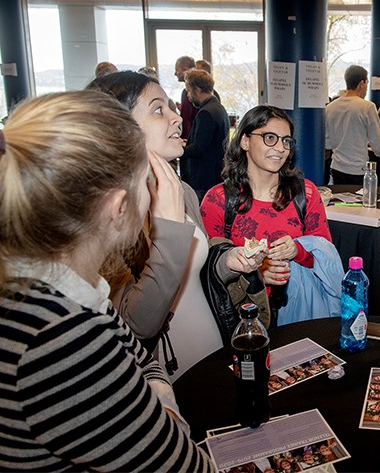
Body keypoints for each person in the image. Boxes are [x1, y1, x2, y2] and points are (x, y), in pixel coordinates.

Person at [0, 90, 213, 470]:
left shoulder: (65, 291)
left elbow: (141, 358)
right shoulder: (60, 338)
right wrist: (165, 415)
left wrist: (155, 397)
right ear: (118, 208)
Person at [87, 71, 257, 381]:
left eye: (172, 107)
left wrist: (229, 263)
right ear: (118, 128)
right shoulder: (107, 216)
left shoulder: (184, 191)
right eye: (158, 109)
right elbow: (137, 325)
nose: (177, 118)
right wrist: (168, 230)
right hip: (164, 374)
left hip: (212, 351)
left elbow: (195, 273)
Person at [201, 105, 343, 326]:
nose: (280, 148)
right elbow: (208, 269)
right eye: (270, 137)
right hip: (241, 320)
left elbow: (326, 257)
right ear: (245, 141)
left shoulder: (304, 193)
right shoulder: (218, 199)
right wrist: (256, 273)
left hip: (297, 314)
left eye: (286, 141)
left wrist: (297, 250)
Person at [325, 64, 380, 185]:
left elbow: (327, 143)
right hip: (359, 170)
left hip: (336, 168)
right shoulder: (368, 107)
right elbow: (377, 145)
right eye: (367, 83)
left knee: (338, 203)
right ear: (362, 83)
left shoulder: (330, 107)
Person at [183, 68, 230, 202]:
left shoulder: (206, 113)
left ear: (197, 89)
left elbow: (198, 148)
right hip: (214, 175)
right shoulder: (218, 107)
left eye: (188, 91)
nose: (188, 95)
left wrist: (178, 150)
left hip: (203, 179)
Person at [175, 55, 197, 139]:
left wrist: (183, 141)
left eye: (177, 70)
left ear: (185, 70)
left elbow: (186, 120)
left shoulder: (187, 93)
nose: (175, 74)